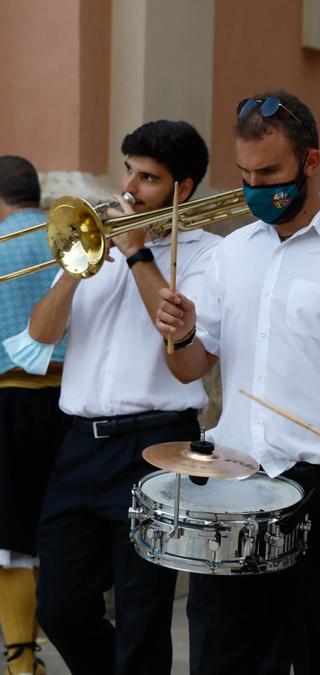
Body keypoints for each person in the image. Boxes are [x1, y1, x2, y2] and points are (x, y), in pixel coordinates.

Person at [155, 90, 320, 674]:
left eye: (269, 172)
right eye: (244, 174)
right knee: (222, 656)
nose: (254, 187)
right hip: (236, 482)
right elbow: (191, 367)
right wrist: (180, 334)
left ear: (310, 162)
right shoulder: (230, 254)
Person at [21, 121, 218, 674]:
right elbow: (41, 334)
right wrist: (74, 270)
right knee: (58, 606)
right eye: (128, 169)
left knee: (141, 611)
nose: (129, 187)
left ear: (182, 189)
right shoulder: (94, 245)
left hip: (156, 442)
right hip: (81, 445)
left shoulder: (208, 254)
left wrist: (136, 253)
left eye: (148, 177)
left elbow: (178, 334)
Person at [0, 156, 69, 675]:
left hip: (10, 399)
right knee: (52, 528)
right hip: (68, 399)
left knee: (11, 535)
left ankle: (21, 656)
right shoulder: (64, 236)